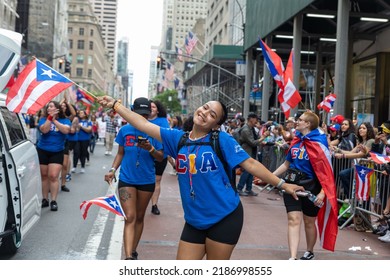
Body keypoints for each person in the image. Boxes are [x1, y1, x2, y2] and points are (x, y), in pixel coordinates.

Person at [98, 96, 303, 260]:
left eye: (212, 114)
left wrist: (283, 184)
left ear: (216, 124)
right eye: (205, 108)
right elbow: (142, 124)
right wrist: (116, 105)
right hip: (194, 221)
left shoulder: (221, 139)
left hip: (224, 217)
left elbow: (249, 163)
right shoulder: (177, 138)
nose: (205, 113)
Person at [272, 111, 338, 260]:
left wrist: (322, 193)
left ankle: (309, 250)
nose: (297, 122)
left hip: (311, 187)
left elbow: (327, 172)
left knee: (309, 221)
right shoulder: (296, 141)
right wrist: (270, 176)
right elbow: (286, 164)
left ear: (308, 124)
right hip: (291, 184)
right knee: (293, 219)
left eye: (300, 120)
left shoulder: (320, 143)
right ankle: (293, 257)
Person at [104, 97, 164, 260]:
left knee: (139, 216)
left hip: (146, 180)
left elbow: (160, 157)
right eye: (139, 114)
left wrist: (150, 148)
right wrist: (112, 170)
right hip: (127, 179)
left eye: (145, 115)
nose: (142, 118)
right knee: (129, 216)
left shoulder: (155, 130)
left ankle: (133, 248)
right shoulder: (125, 130)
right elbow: (120, 153)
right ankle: (129, 256)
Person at [37, 101, 71, 211]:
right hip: (42, 150)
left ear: (57, 109)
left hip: (57, 151)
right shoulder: (43, 119)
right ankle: (45, 199)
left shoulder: (65, 120)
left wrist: (54, 120)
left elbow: (66, 130)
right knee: (44, 176)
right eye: (48, 107)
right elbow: (44, 130)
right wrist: (49, 118)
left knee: (53, 176)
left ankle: (54, 200)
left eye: (51, 106)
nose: (49, 108)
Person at [148, 100, 170, 215]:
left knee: (157, 180)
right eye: (149, 106)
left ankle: (154, 204)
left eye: (154, 107)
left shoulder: (163, 121)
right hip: (144, 155)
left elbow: (166, 136)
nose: (151, 108)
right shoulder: (142, 119)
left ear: (158, 109)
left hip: (160, 154)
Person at [236, 113, 262, 196]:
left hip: (251, 152)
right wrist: (263, 138)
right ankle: (239, 188)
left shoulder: (252, 129)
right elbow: (253, 142)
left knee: (251, 171)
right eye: (256, 119)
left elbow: (255, 140)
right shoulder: (246, 130)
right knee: (247, 171)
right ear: (251, 119)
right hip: (246, 153)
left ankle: (248, 189)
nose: (257, 121)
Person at [59, 98, 77, 192]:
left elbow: (74, 114)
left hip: (65, 143)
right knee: (56, 165)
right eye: (61, 106)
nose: (63, 107)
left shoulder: (67, 119)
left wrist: (67, 102)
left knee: (65, 165)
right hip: (56, 143)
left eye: (64, 107)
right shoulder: (56, 116)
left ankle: (63, 184)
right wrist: (61, 103)